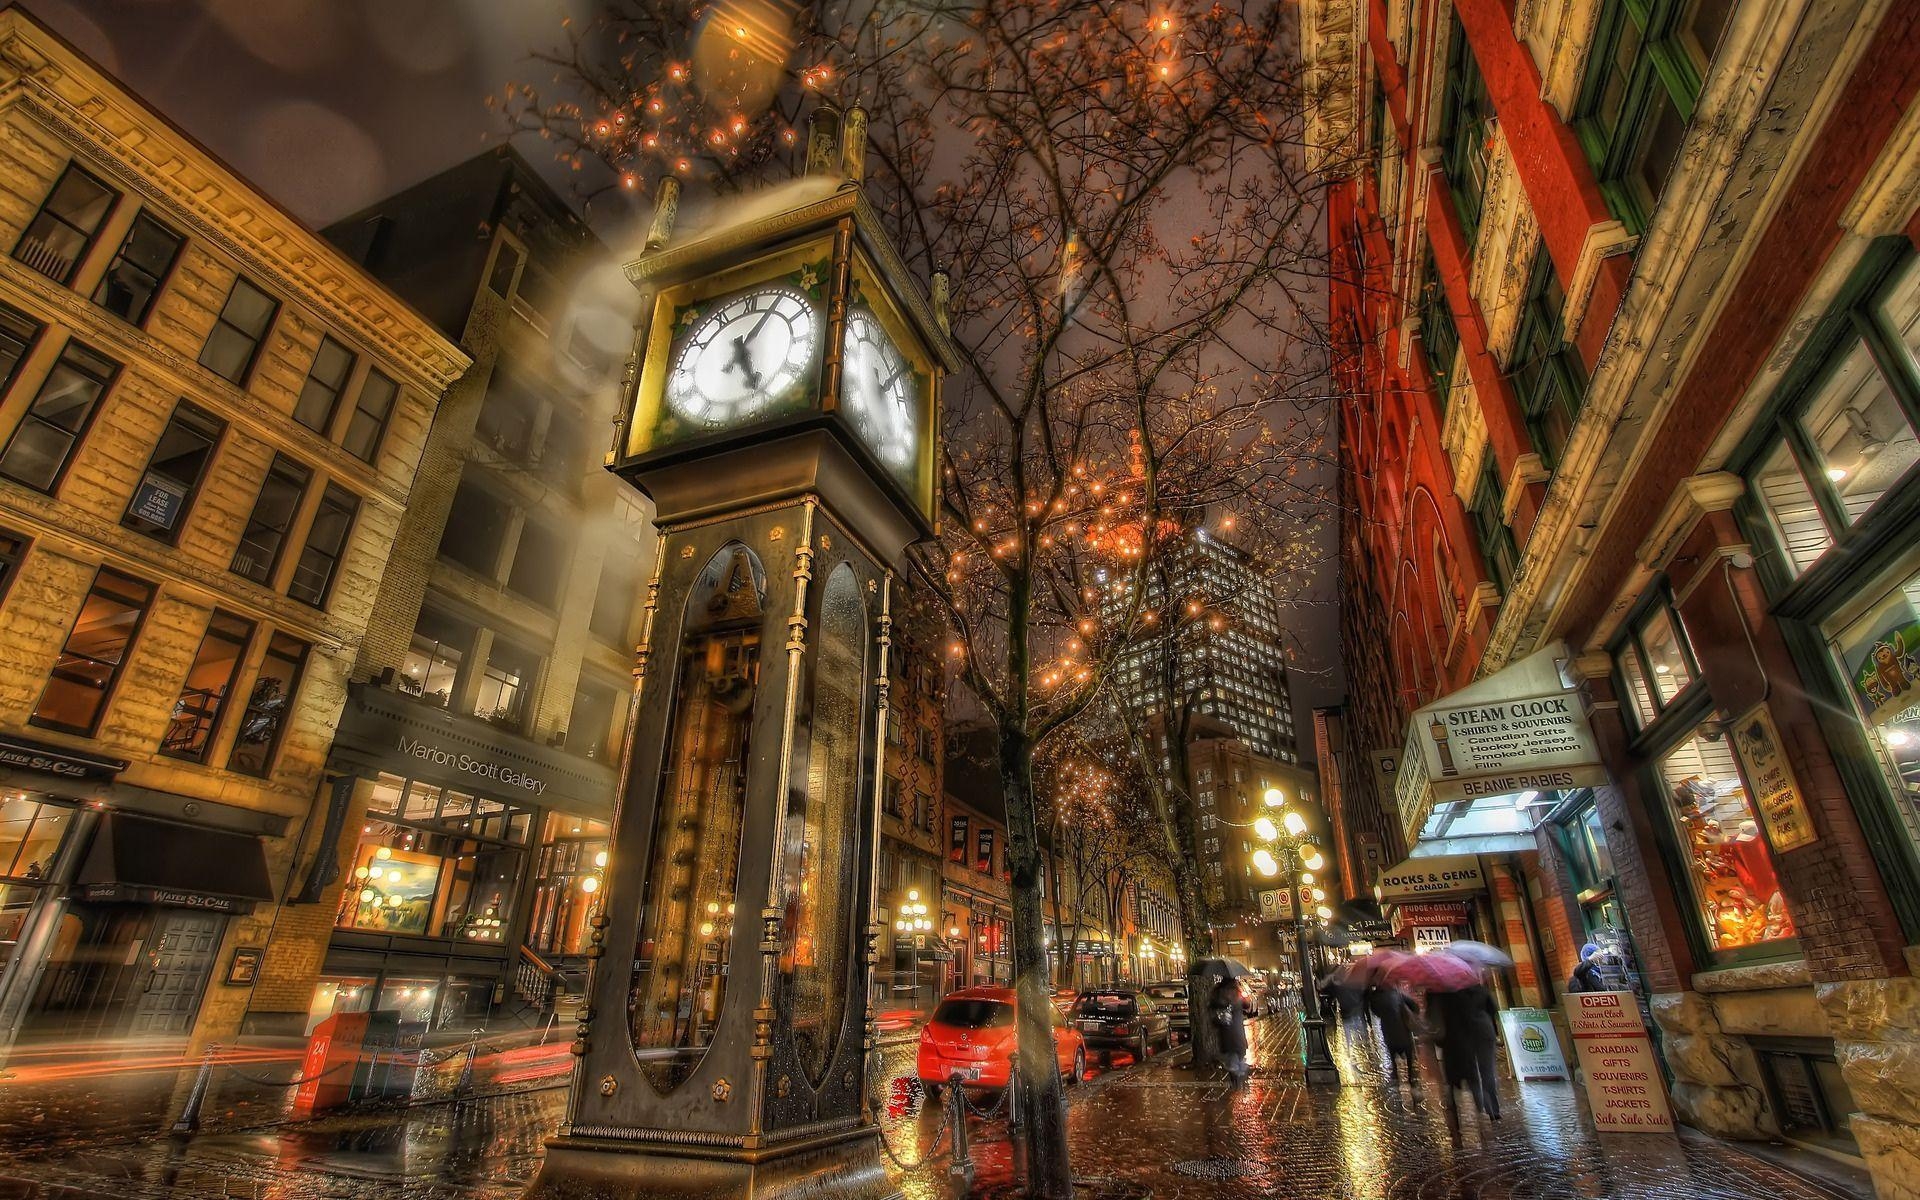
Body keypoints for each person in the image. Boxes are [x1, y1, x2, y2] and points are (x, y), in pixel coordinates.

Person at [1429, 984, 1500, 1119]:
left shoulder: (1447, 993)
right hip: (1485, 1031)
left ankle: (1480, 1107)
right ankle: (1492, 1109)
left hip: (1464, 1035)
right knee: (1488, 1071)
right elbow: (1493, 1010)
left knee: (1472, 1070)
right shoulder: (1480, 988)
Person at [1366, 984, 1420, 1085]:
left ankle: (1395, 1073)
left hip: (1388, 1030)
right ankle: (1411, 1075)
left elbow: (1375, 1012)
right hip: (1402, 1029)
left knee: (1392, 1050)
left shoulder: (1376, 997)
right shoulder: (1398, 994)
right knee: (1408, 1051)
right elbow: (1415, 1007)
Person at [1211, 976, 1249, 1089]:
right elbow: (1247, 1005)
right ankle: (1238, 1076)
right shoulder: (1237, 992)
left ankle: (1236, 1079)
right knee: (1237, 1055)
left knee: (1231, 1058)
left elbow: (1212, 1007)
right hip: (1237, 1031)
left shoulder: (1218, 992)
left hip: (1226, 1032)